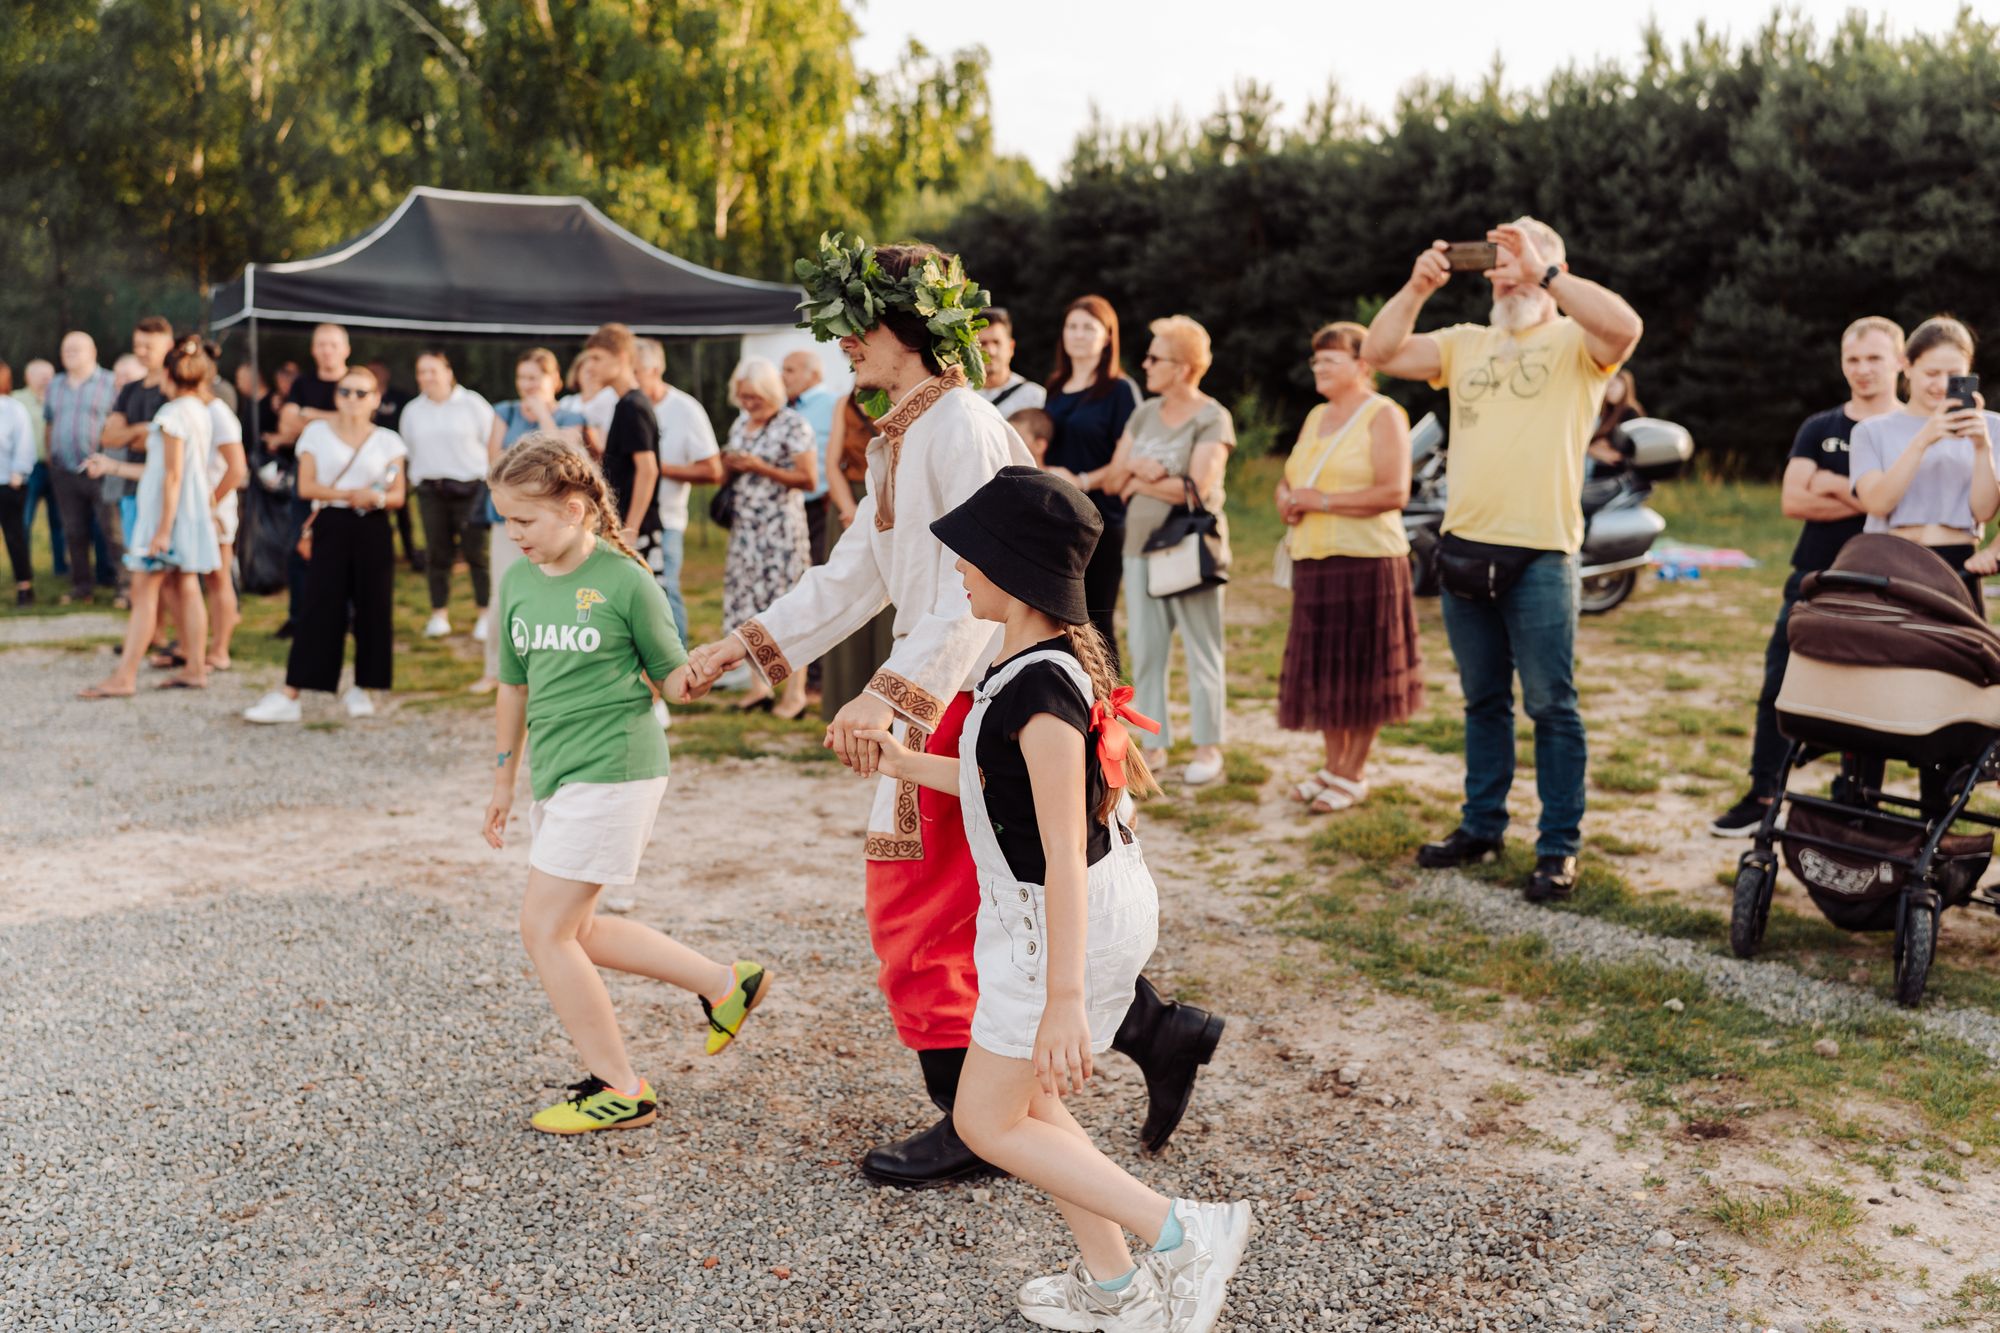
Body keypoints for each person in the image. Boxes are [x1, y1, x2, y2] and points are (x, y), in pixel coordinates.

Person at [685, 237, 1224, 1188]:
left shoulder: (962, 425)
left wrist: (888, 693)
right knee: (968, 900)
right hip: (938, 692)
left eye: (856, 323)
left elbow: (980, 593)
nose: (843, 341)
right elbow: (857, 569)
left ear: (905, 328)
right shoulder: (905, 429)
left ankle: (975, 1120)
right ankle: (1151, 1030)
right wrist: (747, 644)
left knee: (918, 909)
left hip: (967, 693)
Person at [861, 467, 1253, 1331]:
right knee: (1029, 1103)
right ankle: (1118, 1291)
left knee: (985, 1120)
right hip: (1054, 919)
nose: (958, 564)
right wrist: (903, 764)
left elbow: (1065, 852)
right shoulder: (1025, 666)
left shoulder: (1041, 694)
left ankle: (1184, 1231)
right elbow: (994, 787)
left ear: (1015, 566)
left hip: (1060, 926)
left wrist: (1065, 1000)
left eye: (971, 552)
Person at [483, 433, 770, 1134]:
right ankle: (725, 983)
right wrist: (503, 782)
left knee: (544, 929)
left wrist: (702, 672)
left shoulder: (626, 581)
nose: (513, 534)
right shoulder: (518, 582)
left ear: (575, 508)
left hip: (616, 770)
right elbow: (513, 687)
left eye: (525, 519)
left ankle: (621, 1088)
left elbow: (671, 677)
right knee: (577, 929)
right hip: (559, 774)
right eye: (505, 519)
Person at [1365, 218, 1644, 903]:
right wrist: (1417, 286)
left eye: (1521, 261)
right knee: (1483, 702)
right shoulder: (1466, 343)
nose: (1507, 275)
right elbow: (1380, 351)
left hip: (1543, 552)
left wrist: (1543, 270)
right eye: (1500, 264)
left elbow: (1626, 327)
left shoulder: (1577, 342)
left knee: (1551, 705)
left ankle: (1558, 848)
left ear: (1555, 269)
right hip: (1465, 549)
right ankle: (1482, 826)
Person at [1711, 317, 1903, 837]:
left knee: (1868, 695)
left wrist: (1832, 483)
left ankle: (1857, 801)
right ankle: (1762, 793)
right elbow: (1794, 500)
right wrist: (1867, 494)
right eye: (1853, 360)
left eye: (1874, 358)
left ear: (1900, 362)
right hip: (1814, 576)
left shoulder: (1910, 430)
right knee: (1781, 683)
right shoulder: (1819, 427)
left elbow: (1900, 505)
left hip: (1883, 580)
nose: (1863, 370)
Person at [1276, 322, 1424, 814]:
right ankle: (1332, 764)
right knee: (1325, 669)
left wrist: (1320, 501)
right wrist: (1285, 497)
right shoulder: (1316, 415)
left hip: (1368, 561)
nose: (1318, 367)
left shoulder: (1385, 414)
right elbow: (1292, 477)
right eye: (1315, 359)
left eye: (1330, 359)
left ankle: (1352, 772)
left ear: (1363, 365)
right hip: (1314, 560)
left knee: (1363, 671)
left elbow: (1394, 492)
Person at [1101, 316, 1235, 788]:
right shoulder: (1143, 415)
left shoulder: (1212, 417)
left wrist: (1139, 480)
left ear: (1181, 367)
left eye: (1155, 357)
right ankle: (1154, 746)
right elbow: (1113, 480)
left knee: (1202, 648)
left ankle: (1207, 747)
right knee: (1146, 650)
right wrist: (1141, 470)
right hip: (1140, 550)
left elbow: (1195, 487)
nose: (1145, 364)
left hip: (1188, 550)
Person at [242, 367, 408, 723]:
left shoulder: (388, 441)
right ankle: (293, 691)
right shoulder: (316, 434)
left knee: (374, 606)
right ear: (336, 396)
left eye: (361, 393)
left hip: (372, 525)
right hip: (331, 523)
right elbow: (306, 487)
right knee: (318, 605)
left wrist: (375, 498)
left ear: (376, 399)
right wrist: (351, 495)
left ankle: (364, 686)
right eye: (345, 391)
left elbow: (398, 494)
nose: (352, 399)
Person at [77, 335, 218, 697]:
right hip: (189, 513)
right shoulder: (200, 411)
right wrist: (112, 466)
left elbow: (171, 476)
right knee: (188, 586)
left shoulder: (171, 415)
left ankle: (124, 677)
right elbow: (163, 472)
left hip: (165, 518)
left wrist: (163, 530)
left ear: (169, 376)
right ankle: (195, 668)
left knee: (143, 592)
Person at [1852, 316, 2000, 610]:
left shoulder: (1992, 427)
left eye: (1954, 375)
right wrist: (1923, 439)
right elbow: (1877, 503)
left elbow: (1983, 512)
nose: (1942, 385)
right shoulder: (1870, 430)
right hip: (1889, 560)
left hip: (1958, 564)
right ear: (1907, 366)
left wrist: (1982, 448)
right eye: (1932, 373)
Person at [473, 349, 589, 694]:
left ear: (554, 380)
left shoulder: (571, 415)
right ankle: (495, 670)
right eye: (522, 378)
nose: (527, 385)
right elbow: (495, 462)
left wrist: (542, 415)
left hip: (554, 521)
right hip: (507, 518)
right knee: (503, 592)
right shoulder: (504, 412)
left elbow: (567, 460)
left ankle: (552, 669)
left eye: (534, 378)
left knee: (556, 590)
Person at [1043, 296, 1144, 661]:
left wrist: (1082, 480)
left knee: (1097, 622)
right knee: (1058, 622)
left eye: (1089, 327)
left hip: (1101, 520)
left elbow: (1128, 459)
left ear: (1107, 337)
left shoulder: (1120, 391)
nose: (1078, 334)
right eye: (1072, 326)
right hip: (1058, 519)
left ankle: (1110, 697)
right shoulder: (1054, 387)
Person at [719, 358, 817, 719]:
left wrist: (760, 467)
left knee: (789, 608)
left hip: (780, 533)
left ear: (771, 393)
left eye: (755, 398)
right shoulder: (741, 423)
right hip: (746, 531)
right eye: (743, 397)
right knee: (746, 606)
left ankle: (795, 694)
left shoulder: (794, 424)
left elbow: (808, 479)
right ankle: (758, 688)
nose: (749, 404)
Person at [400, 349, 496, 641]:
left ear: (448, 372)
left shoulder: (472, 404)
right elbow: (409, 450)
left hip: (471, 489)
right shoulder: (412, 411)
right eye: (422, 372)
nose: (427, 377)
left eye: (433, 370)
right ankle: (438, 614)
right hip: (431, 491)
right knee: (437, 554)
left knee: (476, 553)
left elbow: (491, 442)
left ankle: (485, 614)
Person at [636, 338, 723, 644]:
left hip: (666, 519)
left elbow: (713, 470)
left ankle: (676, 659)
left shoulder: (685, 410)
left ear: (655, 369)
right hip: (622, 517)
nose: (629, 379)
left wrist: (654, 467)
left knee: (665, 590)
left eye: (636, 372)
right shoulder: (615, 401)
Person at [273, 324, 355, 638]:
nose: (327, 350)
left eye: (333, 344)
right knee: (299, 547)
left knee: (345, 550)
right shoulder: (303, 383)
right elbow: (287, 425)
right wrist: (335, 417)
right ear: (313, 349)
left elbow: (357, 421)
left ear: (345, 349)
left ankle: (348, 616)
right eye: (321, 344)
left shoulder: (354, 382)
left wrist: (309, 414)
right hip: (307, 477)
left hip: (347, 478)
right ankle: (300, 617)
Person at [820, 391, 895, 722]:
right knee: (845, 594)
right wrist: (849, 509)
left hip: (890, 499)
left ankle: (885, 707)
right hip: (849, 499)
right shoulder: (845, 402)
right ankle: (845, 702)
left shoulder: (902, 395)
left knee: (889, 611)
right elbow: (832, 463)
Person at [44, 332, 122, 604]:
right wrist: (50, 457)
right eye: (66, 349)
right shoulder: (55, 385)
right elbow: (49, 423)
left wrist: (108, 459)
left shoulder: (110, 382)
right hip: (64, 471)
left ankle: (125, 588)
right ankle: (81, 587)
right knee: (73, 531)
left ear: (93, 352)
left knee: (112, 531)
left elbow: (118, 423)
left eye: (76, 348)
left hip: (101, 469)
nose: (70, 353)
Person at [577, 325, 660, 574]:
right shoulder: (624, 403)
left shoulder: (632, 406)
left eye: (597, 358)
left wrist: (630, 530)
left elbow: (648, 470)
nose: (590, 367)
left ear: (622, 357)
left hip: (635, 528)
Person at [101, 318, 175, 590]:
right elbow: (109, 437)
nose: (141, 352)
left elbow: (160, 444)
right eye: (137, 345)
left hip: (163, 490)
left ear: (168, 345)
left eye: (148, 346)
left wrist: (133, 433)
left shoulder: (172, 391)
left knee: (167, 577)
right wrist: (142, 430)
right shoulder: (130, 389)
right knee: (140, 570)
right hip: (132, 491)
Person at [200, 344, 251, 671]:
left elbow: (236, 469)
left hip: (216, 506)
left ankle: (220, 649)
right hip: (197, 507)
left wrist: (211, 506)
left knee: (219, 577)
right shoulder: (192, 409)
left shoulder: (219, 411)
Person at [782, 349, 839, 566]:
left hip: (821, 507)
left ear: (813, 375)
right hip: (788, 506)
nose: (782, 376)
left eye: (790, 370)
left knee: (819, 567)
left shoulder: (834, 404)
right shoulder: (783, 407)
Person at [369, 358, 424, 573]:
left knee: (401, 508)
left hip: (396, 460)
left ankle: (410, 552)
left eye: (378, 370)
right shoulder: (362, 397)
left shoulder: (399, 398)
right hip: (371, 463)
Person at [15, 359, 59, 584]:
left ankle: (61, 567)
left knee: (58, 520)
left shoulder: (59, 397)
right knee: (24, 519)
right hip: (28, 469)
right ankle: (24, 568)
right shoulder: (16, 400)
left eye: (49, 375)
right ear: (27, 377)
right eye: (40, 375)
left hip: (55, 467)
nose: (45, 380)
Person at [0, 372, 35, 604]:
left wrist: (19, 472)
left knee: (14, 537)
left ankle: (24, 587)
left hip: (7, 482)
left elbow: (25, 443)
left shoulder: (13, 409)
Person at [975, 308, 1048, 416]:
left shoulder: (1035, 396)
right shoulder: (960, 394)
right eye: (982, 343)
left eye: (997, 342)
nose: (991, 351)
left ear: (1011, 347)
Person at [1587, 370, 1644, 476]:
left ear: (1625, 387)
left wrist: (1599, 449)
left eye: (1613, 386)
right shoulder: (1606, 412)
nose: (1609, 391)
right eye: (1607, 387)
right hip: (1598, 474)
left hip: (1618, 477)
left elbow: (1626, 452)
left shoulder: (1631, 412)